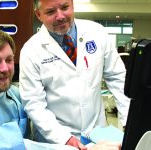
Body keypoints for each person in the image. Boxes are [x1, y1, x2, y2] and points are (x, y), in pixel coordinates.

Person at [19, 0, 130, 149]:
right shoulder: (31, 50)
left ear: (72, 5)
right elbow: (34, 103)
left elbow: (118, 79)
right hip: (56, 141)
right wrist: (63, 138)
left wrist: (129, 121)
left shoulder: (97, 32)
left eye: (65, 7)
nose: (60, 16)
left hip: (97, 135)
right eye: (51, 12)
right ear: (38, 14)